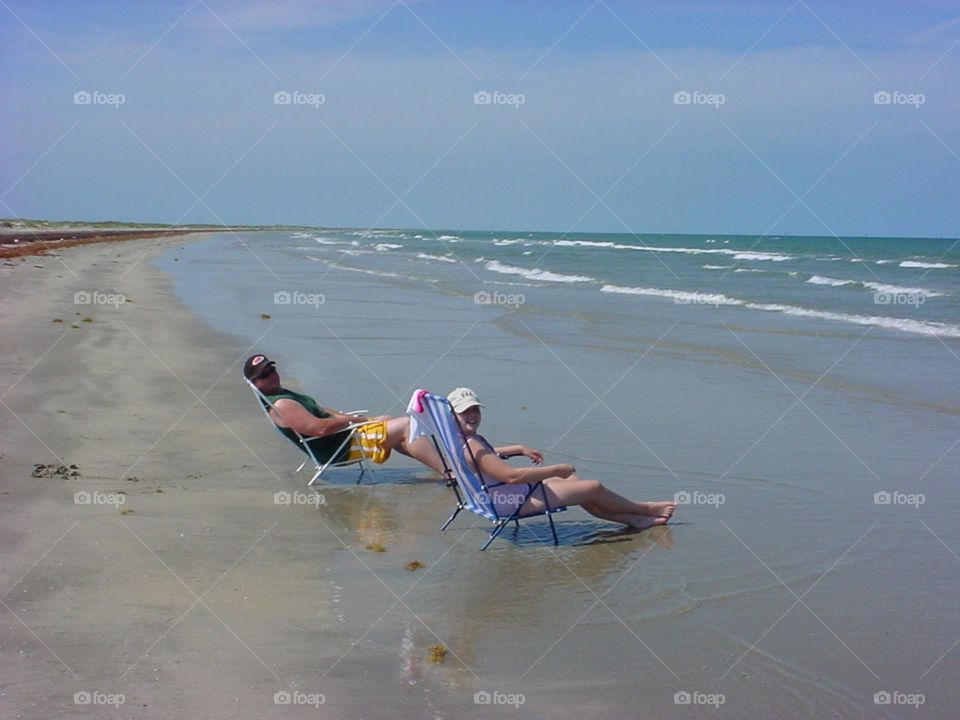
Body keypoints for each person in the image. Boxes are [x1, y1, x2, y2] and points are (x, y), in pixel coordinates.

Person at [447, 387, 676, 529]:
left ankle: (632, 519)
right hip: (509, 502)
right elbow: (512, 475)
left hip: (495, 496)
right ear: (453, 415)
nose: (472, 415)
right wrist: (557, 469)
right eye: (465, 411)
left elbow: (487, 457)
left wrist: (517, 448)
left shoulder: (457, 440)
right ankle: (644, 509)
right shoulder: (472, 445)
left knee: (578, 484)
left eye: (475, 409)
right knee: (591, 486)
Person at [244, 354, 445, 474]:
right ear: (256, 383)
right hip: (339, 450)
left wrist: (345, 417)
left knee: (388, 420)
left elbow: (321, 411)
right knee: (407, 425)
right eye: (264, 375)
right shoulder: (282, 405)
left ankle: (440, 468)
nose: (271, 375)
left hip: (343, 438)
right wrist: (354, 421)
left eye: (271, 369)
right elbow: (320, 428)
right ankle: (450, 473)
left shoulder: (282, 394)